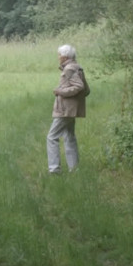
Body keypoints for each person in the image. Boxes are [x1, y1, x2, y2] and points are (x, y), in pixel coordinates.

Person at [46, 44, 89, 174]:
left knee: (51, 137)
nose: (58, 57)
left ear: (64, 56)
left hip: (65, 110)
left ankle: (54, 170)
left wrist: (61, 91)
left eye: (59, 55)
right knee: (69, 136)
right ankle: (74, 169)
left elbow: (79, 86)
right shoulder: (77, 67)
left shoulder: (69, 69)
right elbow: (86, 90)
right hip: (71, 109)